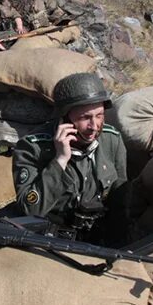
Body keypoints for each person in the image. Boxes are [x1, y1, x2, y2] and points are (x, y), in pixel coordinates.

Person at [11, 72, 129, 246]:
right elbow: (30, 209)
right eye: (84, 118)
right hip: (48, 237)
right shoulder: (32, 147)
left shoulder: (112, 139)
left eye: (99, 115)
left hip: (97, 235)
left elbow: (120, 197)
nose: (94, 126)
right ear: (64, 118)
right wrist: (60, 160)